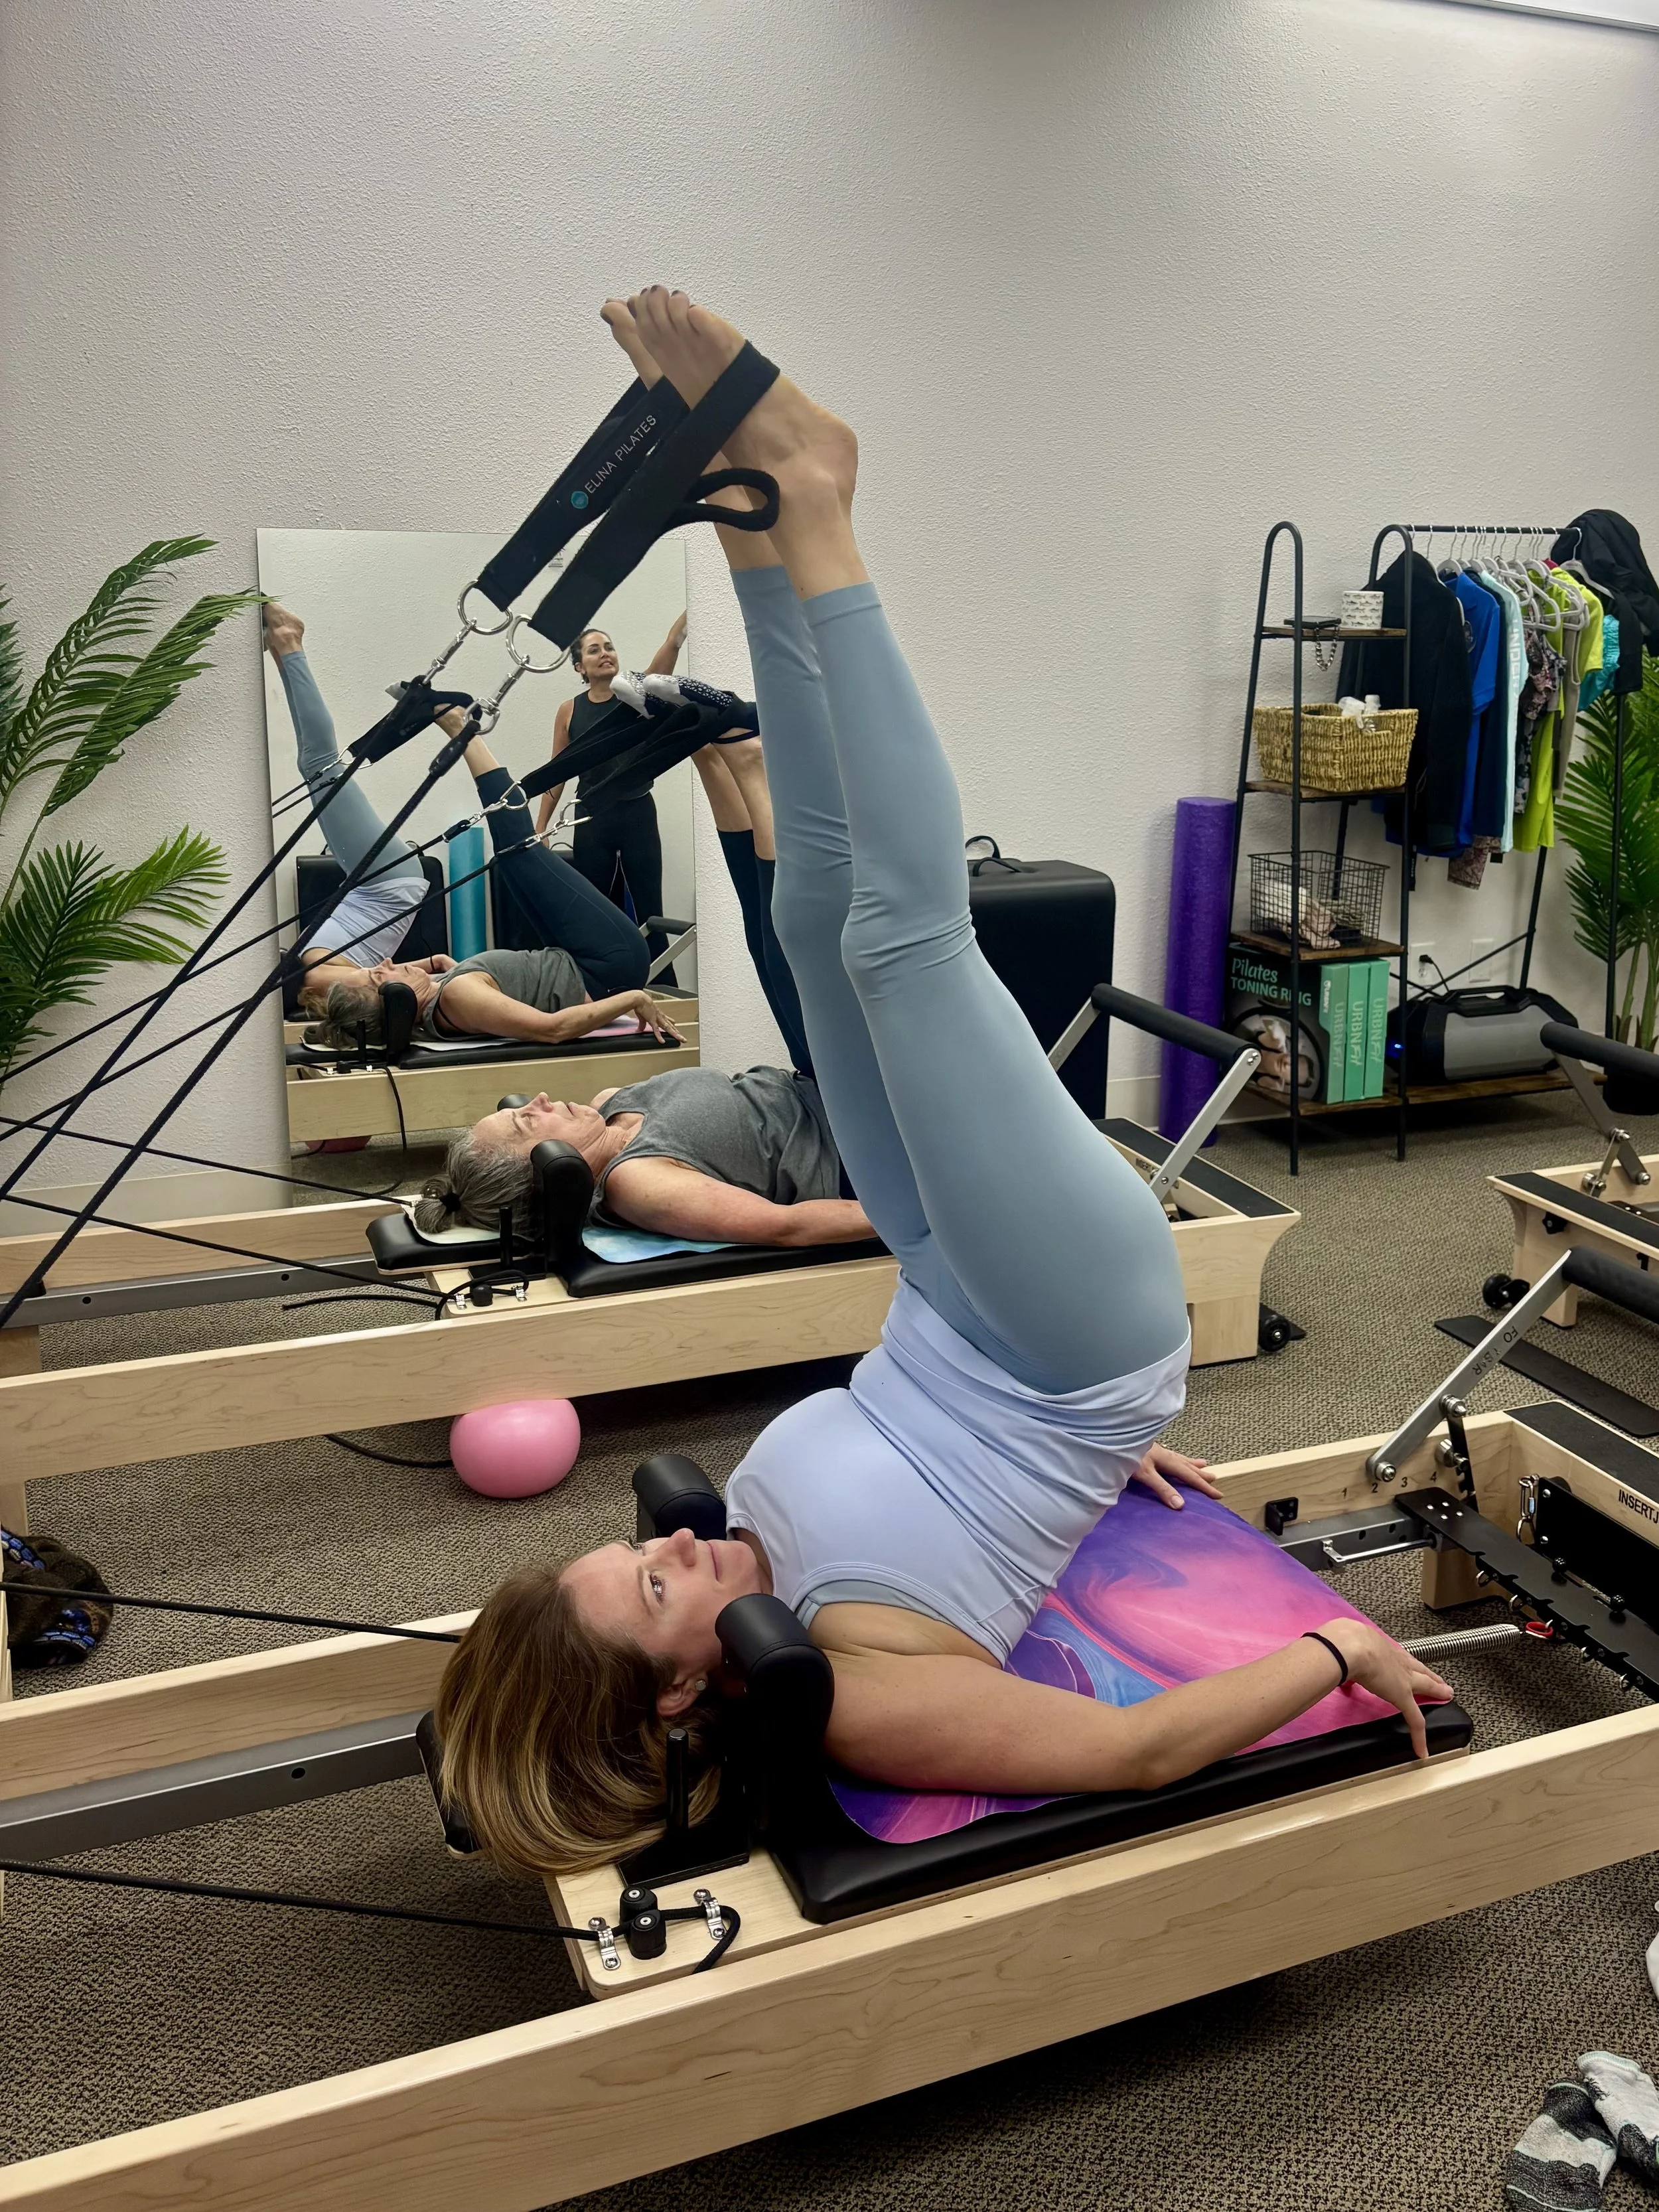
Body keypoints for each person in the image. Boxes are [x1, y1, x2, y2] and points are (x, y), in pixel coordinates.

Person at [435, 292, 1451, 1876]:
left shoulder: (759, 1559)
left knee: (805, 917)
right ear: (688, 1695)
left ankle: (753, 526)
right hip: (1062, 1340)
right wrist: (1340, 1656)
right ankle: (820, 511)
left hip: (954, 1305)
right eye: (654, 1587)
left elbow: (954, 1503)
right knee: (907, 940)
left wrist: (1095, 1481)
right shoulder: (852, 1699)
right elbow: (1126, 1752)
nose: (676, 1541)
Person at [533, 613, 687, 970]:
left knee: (651, 913)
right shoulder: (569, 710)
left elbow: (662, 665)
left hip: (637, 815)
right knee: (600, 913)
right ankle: (606, 992)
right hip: (592, 820)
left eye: (610, 647)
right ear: (579, 667)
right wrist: (541, 827)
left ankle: (664, 992)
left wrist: (679, 629)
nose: (605, 653)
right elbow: (557, 773)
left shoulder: (632, 696)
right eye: (594, 650)